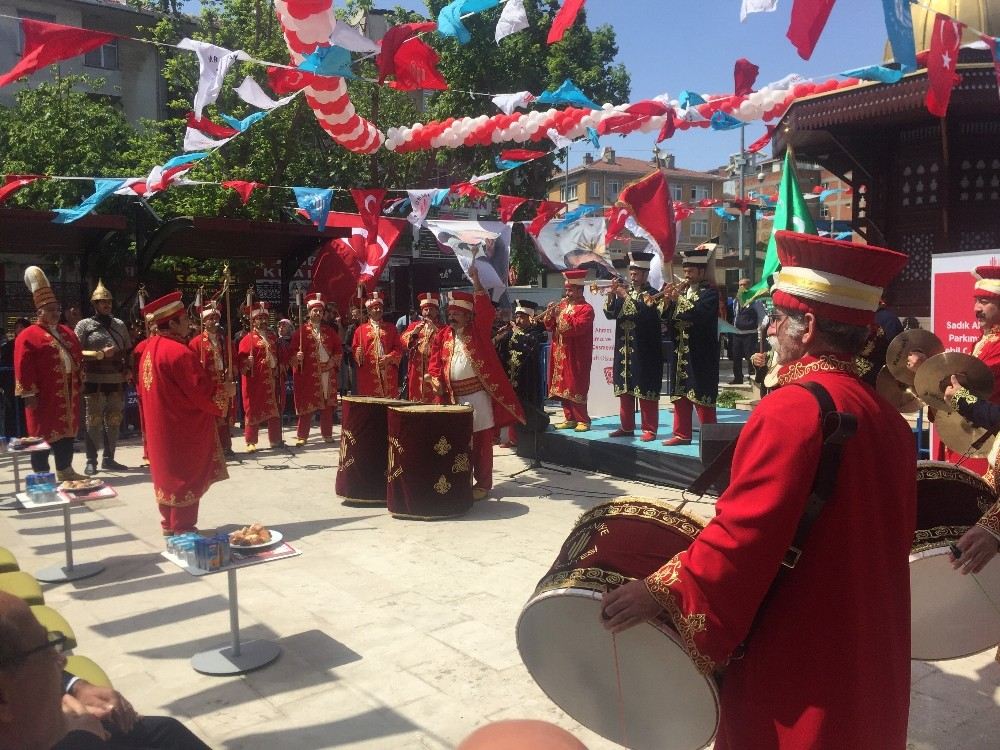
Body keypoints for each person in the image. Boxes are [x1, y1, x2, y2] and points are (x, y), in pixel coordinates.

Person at [601, 231, 915, 749]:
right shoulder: (888, 417)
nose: (768, 327)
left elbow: (745, 535)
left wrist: (659, 590)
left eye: (777, 315)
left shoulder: (792, 408)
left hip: (800, 648)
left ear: (808, 326)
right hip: (869, 644)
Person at [427, 266, 526, 500]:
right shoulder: (443, 335)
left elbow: (485, 310)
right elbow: (434, 362)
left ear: (468, 316)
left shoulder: (478, 331)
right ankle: (460, 478)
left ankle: (483, 483)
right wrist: (434, 378)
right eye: (450, 313)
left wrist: (476, 282)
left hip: (477, 397)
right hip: (453, 397)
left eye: (457, 314)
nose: (452, 317)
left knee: (481, 442)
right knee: (458, 441)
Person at [139, 292, 232, 535]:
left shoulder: (149, 349)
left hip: (160, 427)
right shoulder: (179, 353)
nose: (188, 324)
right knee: (184, 475)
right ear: (170, 323)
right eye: (182, 319)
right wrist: (225, 391)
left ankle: (168, 523)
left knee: (166, 473)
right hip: (180, 426)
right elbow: (201, 393)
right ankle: (183, 528)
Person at [14, 267, 87, 481]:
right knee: (40, 434)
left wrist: (80, 379)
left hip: (67, 390)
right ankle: (42, 475)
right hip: (42, 394)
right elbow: (23, 365)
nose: (55, 313)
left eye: (57, 309)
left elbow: (78, 356)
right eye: (50, 309)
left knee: (67, 431)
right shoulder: (28, 335)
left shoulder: (67, 332)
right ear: (39, 312)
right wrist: (28, 394)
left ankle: (65, 469)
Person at [662, 244, 720, 447]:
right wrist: (668, 304)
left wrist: (678, 300)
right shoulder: (683, 292)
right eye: (685, 271)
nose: (686, 276)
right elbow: (668, 321)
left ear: (701, 272)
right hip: (680, 351)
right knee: (680, 394)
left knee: (702, 395)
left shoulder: (710, 294)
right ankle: (682, 434)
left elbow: (699, 316)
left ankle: (711, 438)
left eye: (690, 272)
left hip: (701, 353)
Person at [604, 252, 664, 442]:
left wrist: (625, 297)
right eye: (631, 271)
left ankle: (650, 429)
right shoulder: (625, 292)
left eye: (637, 272)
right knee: (625, 389)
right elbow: (610, 314)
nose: (632, 275)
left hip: (645, 349)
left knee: (645, 389)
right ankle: (626, 426)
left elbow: (644, 314)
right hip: (624, 348)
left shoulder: (654, 294)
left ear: (646, 274)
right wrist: (612, 296)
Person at [74, 280, 133, 475]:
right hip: (94, 378)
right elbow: (75, 351)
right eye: (102, 302)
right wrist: (99, 354)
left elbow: (128, 350)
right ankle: (91, 460)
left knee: (114, 419)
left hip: (116, 378)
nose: (106, 304)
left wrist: (129, 368)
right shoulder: (84, 325)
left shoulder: (119, 325)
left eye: (108, 301)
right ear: (95, 305)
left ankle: (110, 458)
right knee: (94, 420)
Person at [544, 270, 594, 432]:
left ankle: (583, 420)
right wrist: (550, 315)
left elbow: (574, 329)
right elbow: (550, 327)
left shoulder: (586, 309)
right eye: (566, 290)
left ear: (580, 290)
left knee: (575, 385)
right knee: (561, 385)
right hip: (559, 353)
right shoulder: (563, 306)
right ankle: (569, 417)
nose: (567, 293)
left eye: (570, 290)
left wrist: (561, 316)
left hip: (576, 355)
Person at [291, 293, 342, 446]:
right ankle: (302, 435)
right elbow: (292, 352)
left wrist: (332, 363)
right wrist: (297, 356)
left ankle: (327, 434)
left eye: (320, 311)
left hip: (327, 371)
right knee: (307, 404)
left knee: (327, 405)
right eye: (315, 311)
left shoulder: (329, 331)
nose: (318, 313)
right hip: (309, 374)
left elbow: (338, 349)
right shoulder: (301, 332)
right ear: (309, 312)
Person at [495, 299, 545, 447]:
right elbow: (501, 350)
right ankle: (512, 438)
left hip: (527, 378)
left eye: (522, 317)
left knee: (526, 406)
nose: (518, 320)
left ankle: (527, 438)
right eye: (516, 316)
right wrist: (500, 336)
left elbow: (530, 344)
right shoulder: (511, 333)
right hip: (511, 375)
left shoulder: (536, 333)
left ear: (530, 317)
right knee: (512, 406)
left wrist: (516, 334)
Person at [237, 303, 286, 453]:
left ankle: (275, 439)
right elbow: (240, 360)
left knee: (274, 408)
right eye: (259, 318)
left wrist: (281, 365)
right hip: (255, 381)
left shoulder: (273, 337)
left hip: (272, 379)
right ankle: (251, 440)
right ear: (253, 321)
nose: (263, 321)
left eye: (265, 318)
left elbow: (282, 354)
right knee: (253, 409)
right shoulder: (246, 339)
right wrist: (247, 363)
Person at [188, 303, 235, 457]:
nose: (214, 321)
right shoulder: (196, 343)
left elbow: (233, 358)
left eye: (216, 317)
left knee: (225, 416)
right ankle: (210, 448)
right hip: (208, 385)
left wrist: (231, 368)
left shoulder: (224, 339)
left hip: (224, 382)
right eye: (210, 318)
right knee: (210, 416)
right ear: (204, 321)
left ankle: (226, 447)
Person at [352, 293, 403, 398]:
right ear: (369, 311)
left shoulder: (391, 328)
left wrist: (389, 358)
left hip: (387, 369)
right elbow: (354, 350)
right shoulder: (360, 330)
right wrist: (358, 353)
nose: (378, 310)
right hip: (369, 372)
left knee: (388, 401)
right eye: (375, 308)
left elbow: (398, 348)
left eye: (380, 308)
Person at [400, 293, 443, 403]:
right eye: (426, 309)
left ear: (437, 311)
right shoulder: (414, 326)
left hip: (434, 372)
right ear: (422, 312)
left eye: (431, 309)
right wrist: (414, 334)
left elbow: (446, 342)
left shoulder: (443, 328)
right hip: (416, 372)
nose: (428, 312)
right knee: (415, 402)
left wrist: (435, 330)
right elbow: (402, 343)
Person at [854, 298, 903, 388]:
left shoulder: (888, 319)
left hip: (878, 377)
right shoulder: (854, 316)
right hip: (856, 373)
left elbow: (898, 352)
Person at [727, 278, 765, 385]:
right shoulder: (735, 301)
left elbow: (762, 316)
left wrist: (761, 331)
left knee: (751, 357)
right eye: (740, 285)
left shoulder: (755, 301)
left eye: (744, 285)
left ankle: (752, 377)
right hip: (737, 334)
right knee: (736, 357)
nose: (741, 287)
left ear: (749, 286)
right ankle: (738, 378)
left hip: (750, 334)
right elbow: (735, 315)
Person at [1, 317, 30, 438]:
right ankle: (12, 436)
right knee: (12, 410)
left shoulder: (32, 343)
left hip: (28, 384)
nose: (19, 329)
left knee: (27, 410)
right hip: (11, 384)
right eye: (17, 327)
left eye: (21, 326)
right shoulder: (9, 346)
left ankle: (27, 433)